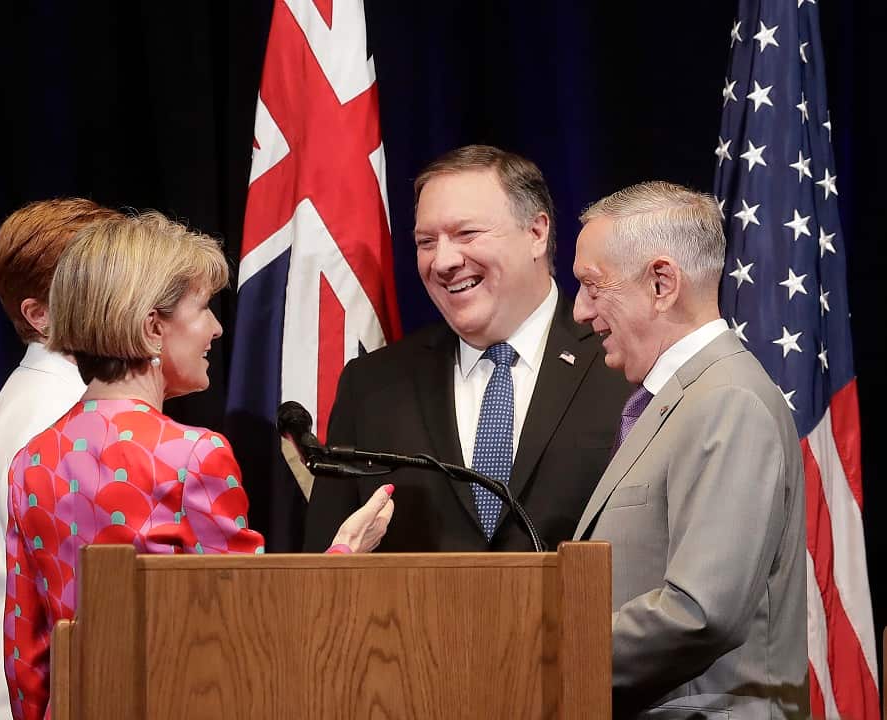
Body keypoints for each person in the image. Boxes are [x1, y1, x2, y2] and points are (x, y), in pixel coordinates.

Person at [3, 212, 394, 720]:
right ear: (151, 329)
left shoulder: (31, 461)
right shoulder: (193, 456)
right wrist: (344, 552)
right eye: (205, 308)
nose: (216, 328)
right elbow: (258, 630)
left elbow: (25, 655)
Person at [304, 145, 630, 552]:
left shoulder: (623, 369)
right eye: (426, 241)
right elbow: (324, 564)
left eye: (466, 234)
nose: (443, 261)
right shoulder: (372, 387)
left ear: (536, 233)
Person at [570, 182, 808, 718]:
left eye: (592, 285)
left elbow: (700, 611)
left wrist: (545, 655)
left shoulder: (727, 401)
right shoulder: (674, 402)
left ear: (661, 283)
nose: (581, 311)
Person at [0, 199, 122, 720]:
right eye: (96, 280)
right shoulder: (59, 413)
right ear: (39, 314)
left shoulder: (44, 393)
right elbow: (84, 604)